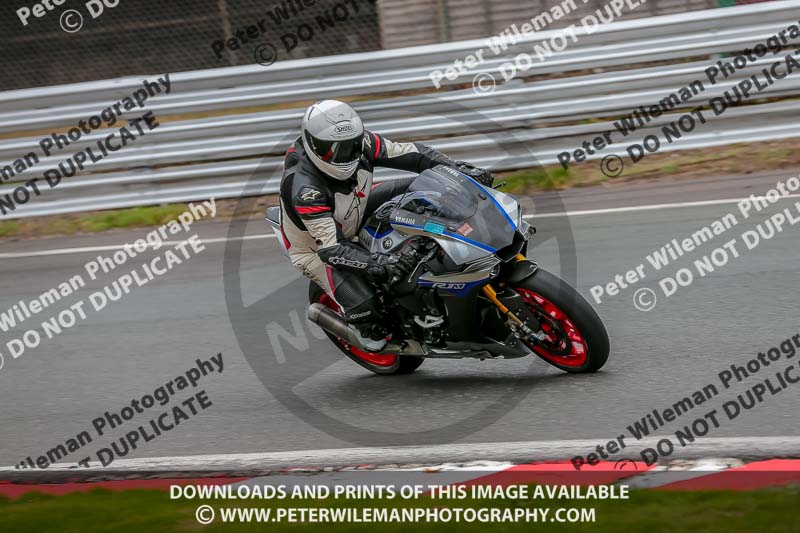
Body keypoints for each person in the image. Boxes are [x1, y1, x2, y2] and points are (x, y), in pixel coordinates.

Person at [279, 100, 493, 351]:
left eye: (351, 147)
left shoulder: (364, 143)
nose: (344, 156)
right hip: (316, 249)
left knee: (427, 185)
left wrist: (458, 169)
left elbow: (415, 154)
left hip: (356, 206)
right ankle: (364, 328)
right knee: (372, 325)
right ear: (312, 144)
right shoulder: (304, 188)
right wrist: (380, 263)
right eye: (333, 151)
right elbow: (332, 249)